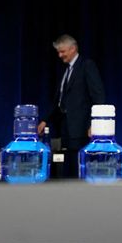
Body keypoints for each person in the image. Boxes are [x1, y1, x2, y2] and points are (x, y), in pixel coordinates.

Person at [38, 34, 105, 177]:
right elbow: (59, 102)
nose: (60, 55)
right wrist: (45, 120)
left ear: (73, 48)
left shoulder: (86, 65)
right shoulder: (66, 71)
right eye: (58, 52)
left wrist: (94, 123)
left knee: (80, 168)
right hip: (66, 130)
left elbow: (98, 96)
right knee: (68, 168)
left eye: (62, 51)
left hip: (81, 129)